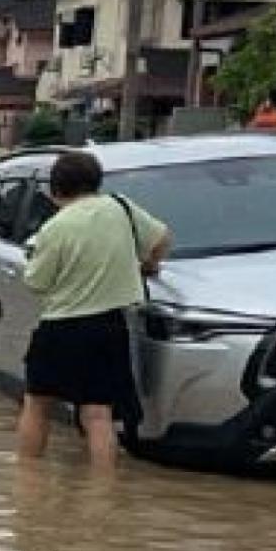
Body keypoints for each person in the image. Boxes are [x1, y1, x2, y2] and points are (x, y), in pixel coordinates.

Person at [18, 150, 171, 470]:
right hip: (109, 326)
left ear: (55, 191)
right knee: (98, 415)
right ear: (97, 183)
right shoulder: (121, 208)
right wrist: (147, 265)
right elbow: (161, 239)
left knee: (37, 406)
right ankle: (102, 492)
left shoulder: (55, 228)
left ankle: (28, 481)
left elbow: (36, 282)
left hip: (60, 329)